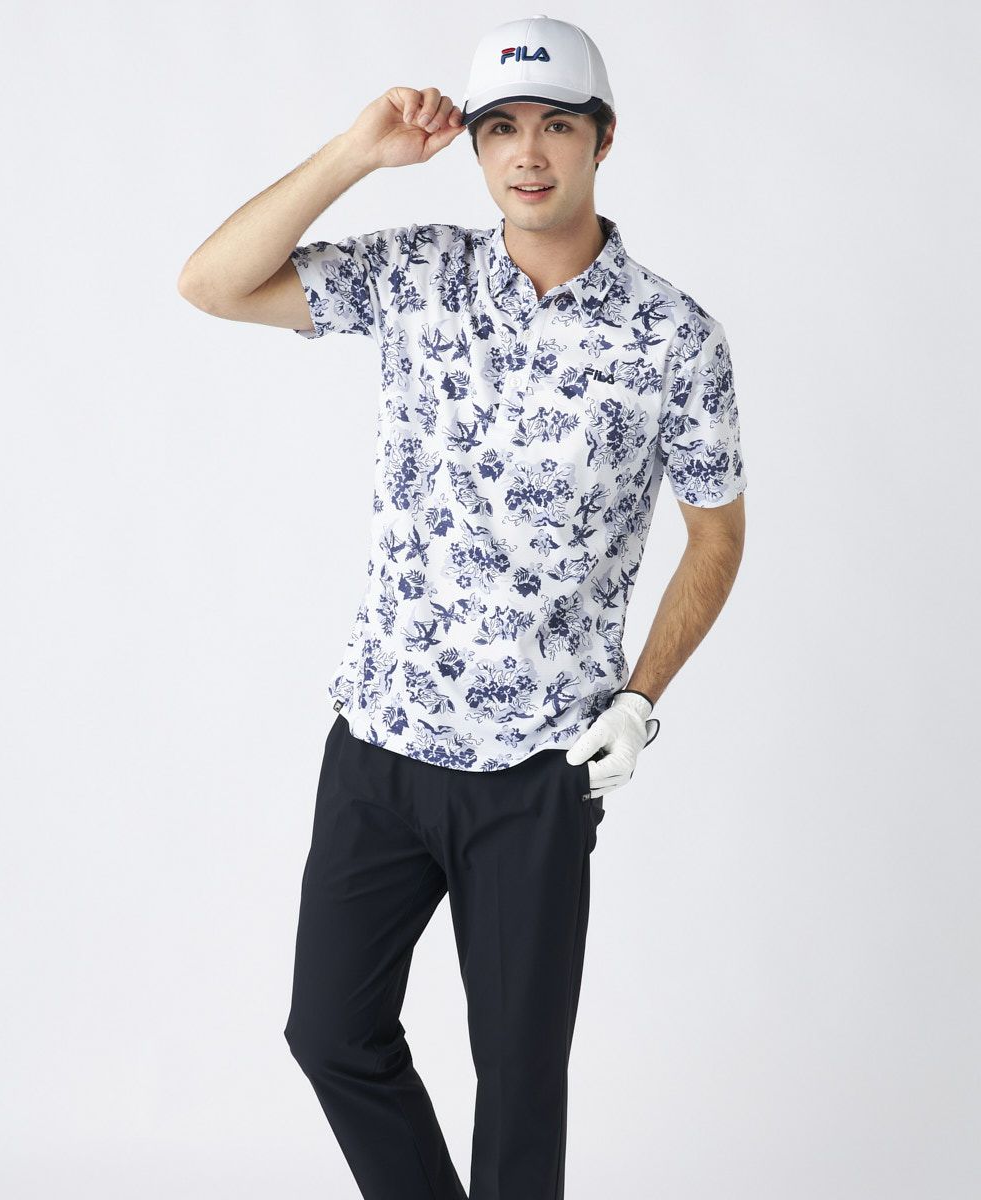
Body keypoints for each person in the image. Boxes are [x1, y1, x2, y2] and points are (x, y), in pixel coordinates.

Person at [178, 15, 747, 1198]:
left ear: (602, 140)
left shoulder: (673, 339)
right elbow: (211, 283)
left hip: (535, 772)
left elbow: (716, 533)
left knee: (520, 1087)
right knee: (329, 1032)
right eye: (501, 129)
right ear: (476, 147)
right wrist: (356, 151)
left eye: (555, 126)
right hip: (380, 743)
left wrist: (640, 700)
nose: (527, 153)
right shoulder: (417, 275)